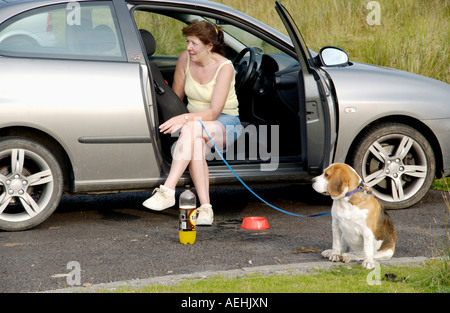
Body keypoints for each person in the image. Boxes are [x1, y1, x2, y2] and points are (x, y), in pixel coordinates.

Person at [142, 21, 242, 226]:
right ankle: (206, 208)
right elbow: (176, 98)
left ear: (209, 46)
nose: (188, 47)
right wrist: (173, 117)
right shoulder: (185, 59)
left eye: (194, 43)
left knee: (192, 128)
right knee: (195, 143)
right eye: (187, 42)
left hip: (225, 122)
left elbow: (214, 112)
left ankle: (168, 190)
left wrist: (183, 119)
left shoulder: (225, 67)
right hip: (193, 123)